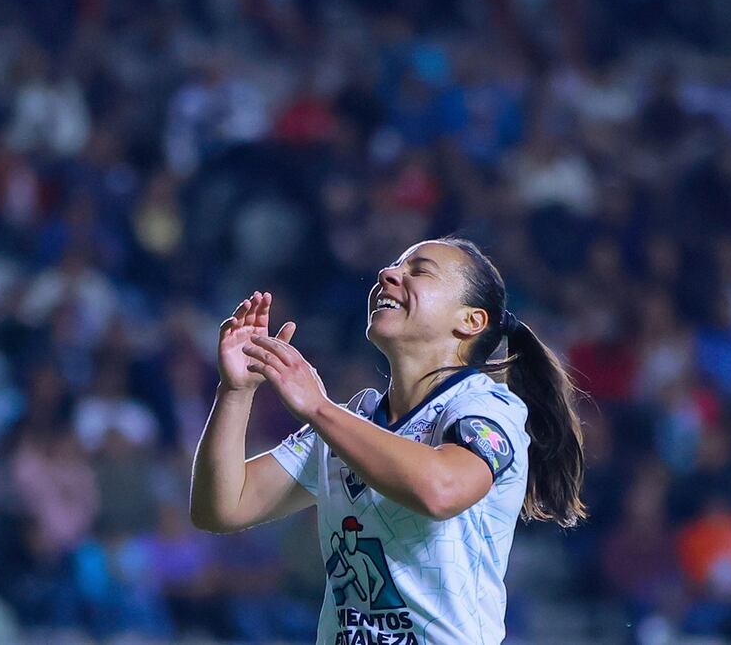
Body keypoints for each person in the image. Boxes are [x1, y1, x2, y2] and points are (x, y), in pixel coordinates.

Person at [190, 237, 586, 644]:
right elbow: (221, 507)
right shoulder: (350, 422)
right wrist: (235, 392)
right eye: (395, 265)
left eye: (419, 270)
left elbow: (441, 489)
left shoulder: (487, 408)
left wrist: (319, 408)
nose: (388, 273)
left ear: (471, 321)